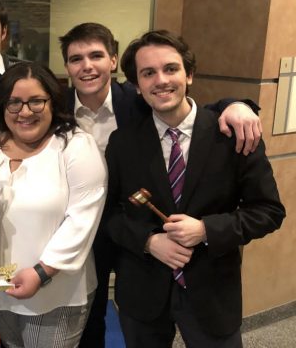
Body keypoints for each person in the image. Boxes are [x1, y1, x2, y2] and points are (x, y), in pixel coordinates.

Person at [58, 22, 264, 348]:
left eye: (96, 55)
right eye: (75, 59)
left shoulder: (136, 103)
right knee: (89, 325)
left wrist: (238, 105)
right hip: (95, 241)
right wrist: (148, 241)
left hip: (200, 276)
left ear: (112, 62)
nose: (86, 66)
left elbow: (193, 112)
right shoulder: (53, 107)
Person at [106, 30, 285, 347]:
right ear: (136, 85)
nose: (161, 80)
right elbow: (112, 215)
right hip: (143, 291)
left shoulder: (233, 135)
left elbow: (269, 211)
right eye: (148, 73)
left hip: (212, 291)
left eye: (171, 69)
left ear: (189, 75)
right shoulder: (122, 143)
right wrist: (148, 241)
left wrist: (206, 230)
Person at [0, 62, 107, 348]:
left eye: (36, 101)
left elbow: (82, 220)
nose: (25, 112)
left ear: (52, 102)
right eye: (14, 103)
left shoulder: (75, 146)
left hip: (54, 291)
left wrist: (42, 272)